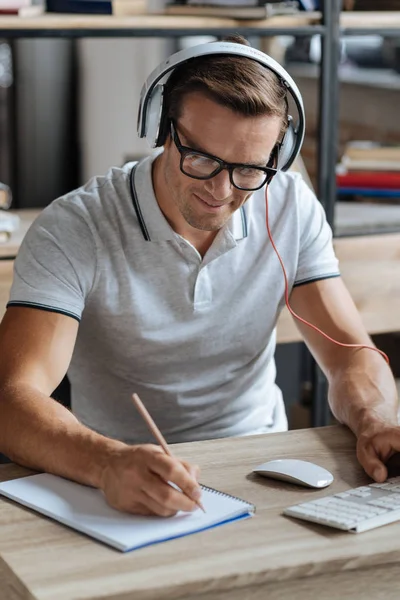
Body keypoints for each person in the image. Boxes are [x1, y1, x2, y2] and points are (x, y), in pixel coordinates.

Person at [0, 35, 398, 517]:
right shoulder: (76, 227)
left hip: (262, 462)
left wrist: (374, 419)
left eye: (250, 169)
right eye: (203, 159)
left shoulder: (290, 204)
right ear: (163, 128)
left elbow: (348, 353)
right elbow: (11, 398)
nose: (222, 190)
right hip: (122, 475)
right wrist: (106, 463)